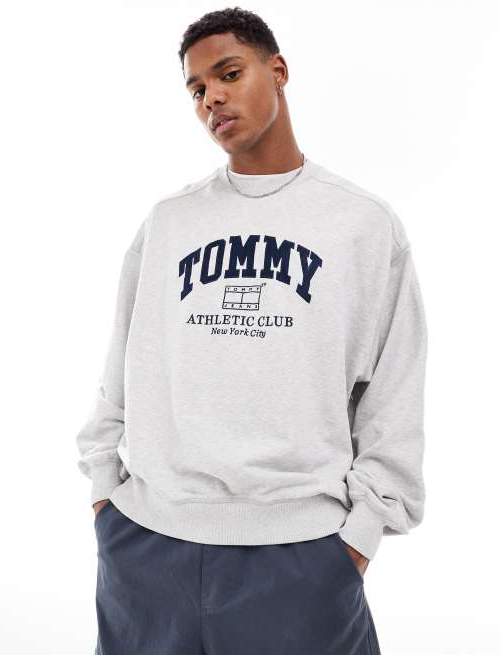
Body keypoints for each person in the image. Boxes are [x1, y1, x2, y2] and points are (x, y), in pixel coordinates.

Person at [76, 7, 428, 655]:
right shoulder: (170, 221)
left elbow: (393, 392)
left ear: (278, 70)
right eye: (196, 89)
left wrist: (358, 537)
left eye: (229, 74)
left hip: (300, 555)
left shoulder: (361, 223)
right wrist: (105, 496)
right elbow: (116, 370)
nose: (211, 97)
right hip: (148, 548)